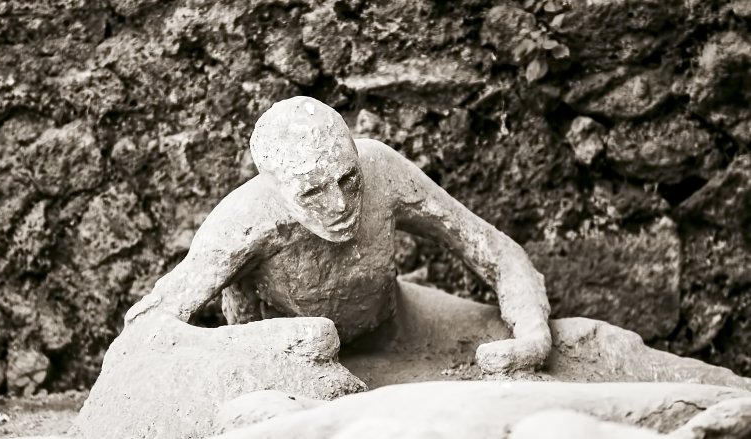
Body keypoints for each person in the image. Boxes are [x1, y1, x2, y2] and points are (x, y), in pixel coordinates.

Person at [125, 96, 551, 374]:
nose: (340, 205)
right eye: (313, 192)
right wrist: (269, 343)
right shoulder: (244, 220)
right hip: (288, 367)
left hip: (395, 327)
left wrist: (533, 334)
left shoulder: (380, 168)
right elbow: (148, 325)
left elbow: (493, 247)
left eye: (348, 179)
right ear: (276, 188)